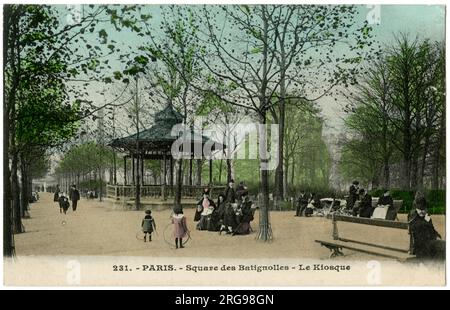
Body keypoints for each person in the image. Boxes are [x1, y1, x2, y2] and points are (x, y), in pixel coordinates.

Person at [408, 193, 444, 260]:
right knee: (443, 247)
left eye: (423, 209)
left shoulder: (426, 216)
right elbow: (415, 228)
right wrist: (426, 221)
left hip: (430, 242)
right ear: (416, 208)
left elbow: (432, 229)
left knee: (443, 246)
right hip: (420, 245)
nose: (422, 212)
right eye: (420, 210)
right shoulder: (413, 216)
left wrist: (437, 235)